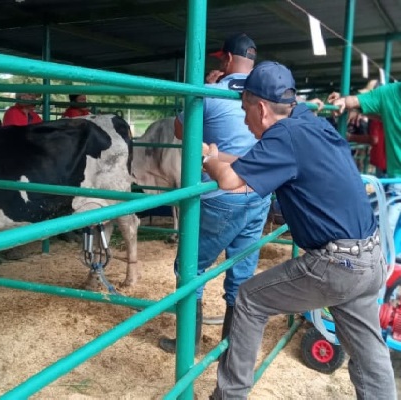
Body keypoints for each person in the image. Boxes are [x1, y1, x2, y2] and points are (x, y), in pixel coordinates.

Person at [202, 60, 395, 399]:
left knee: (249, 299)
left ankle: (228, 396)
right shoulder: (306, 122)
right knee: (370, 359)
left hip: (337, 265)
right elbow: (253, 162)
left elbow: (230, 180)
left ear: (261, 108)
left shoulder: (283, 136)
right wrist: (223, 156)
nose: (245, 120)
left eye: (245, 109)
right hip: (369, 258)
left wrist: (209, 160)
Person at [159, 33, 271, 354]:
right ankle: (232, 348)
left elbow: (181, 131)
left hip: (222, 195)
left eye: (220, 58)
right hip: (259, 193)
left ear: (227, 60)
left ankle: (187, 346)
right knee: (242, 273)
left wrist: (203, 91)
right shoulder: (265, 97)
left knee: (190, 269)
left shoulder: (211, 92)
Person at [329, 81, 401, 237]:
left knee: (385, 226)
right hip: (386, 170)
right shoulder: (386, 98)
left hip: (391, 173)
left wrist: (350, 134)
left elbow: (373, 139)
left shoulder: (387, 94)